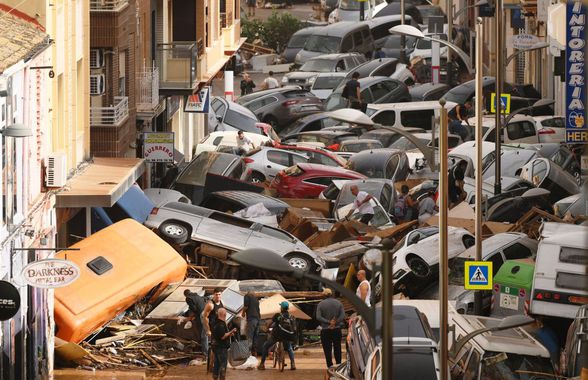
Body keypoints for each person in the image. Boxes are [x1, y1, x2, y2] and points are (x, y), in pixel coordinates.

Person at [258, 301, 297, 370]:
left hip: (276, 336)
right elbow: (294, 328)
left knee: (265, 346)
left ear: (281, 308)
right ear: (287, 308)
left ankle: (262, 364)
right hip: (287, 336)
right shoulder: (291, 317)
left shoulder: (278, 315)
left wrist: (267, 329)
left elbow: (270, 323)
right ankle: (293, 364)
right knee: (289, 348)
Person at [316, 288, 345, 368]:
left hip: (325, 330)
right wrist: (335, 322)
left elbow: (318, 317)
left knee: (327, 349)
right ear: (331, 294)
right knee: (337, 347)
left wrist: (328, 322)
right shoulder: (338, 303)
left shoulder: (321, 304)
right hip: (336, 329)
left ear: (324, 295)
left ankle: (330, 366)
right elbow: (343, 316)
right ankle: (339, 365)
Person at [211, 307, 238, 380]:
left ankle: (215, 377)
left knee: (217, 363)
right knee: (223, 364)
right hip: (221, 347)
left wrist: (229, 334)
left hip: (216, 347)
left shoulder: (215, 322)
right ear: (224, 314)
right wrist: (231, 332)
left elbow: (221, 334)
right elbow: (222, 336)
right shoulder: (220, 324)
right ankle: (222, 378)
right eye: (225, 313)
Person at [201, 288, 224, 360]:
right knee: (212, 345)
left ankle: (216, 359)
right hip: (211, 326)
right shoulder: (210, 305)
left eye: (219, 294)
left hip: (219, 327)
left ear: (221, 295)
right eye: (216, 294)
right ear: (214, 295)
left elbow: (222, 315)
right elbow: (205, 317)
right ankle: (208, 358)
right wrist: (208, 330)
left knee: (219, 344)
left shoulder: (222, 302)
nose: (218, 296)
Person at [184, 289, 206, 354]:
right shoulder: (198, 296)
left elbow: (194, 309)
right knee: (204, 332)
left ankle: (203, 351)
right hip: (205, 313)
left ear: (185, 295)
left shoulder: (188, 298)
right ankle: (204, 349)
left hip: (200, 315)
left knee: (201, 333)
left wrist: (192, 316)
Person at [243, 291, 261, 356]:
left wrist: (243, 313)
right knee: (255, 336)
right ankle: (254, 352)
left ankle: (248, 353)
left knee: (250, 336)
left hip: (252, 319)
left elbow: (246, 307)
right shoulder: (256, 299)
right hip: (258, 319)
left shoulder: (247, 296)